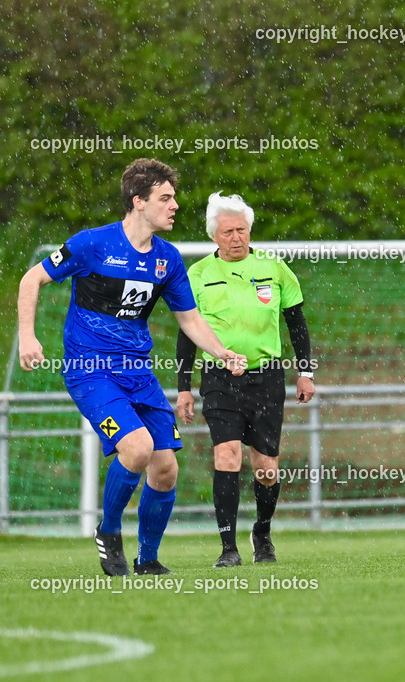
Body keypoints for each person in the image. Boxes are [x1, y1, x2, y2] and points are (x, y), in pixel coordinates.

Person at [17, 158, 247, 576]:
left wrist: (224, 353)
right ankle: (108, 532)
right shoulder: (92, 244)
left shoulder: (168, 259)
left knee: (165, 467)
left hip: (137, 373)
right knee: (137, 448)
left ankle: (148, 558)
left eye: (174, 197)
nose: (175, 205)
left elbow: (191, 320)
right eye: (166, 198)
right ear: (138, 202)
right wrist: (29, 337)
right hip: (90, 369)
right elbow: (31, 279)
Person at [176, 192, 315, 568]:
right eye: (227, 232)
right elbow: (187, 332)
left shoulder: (275, 268)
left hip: (267, 378)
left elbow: (296, 322)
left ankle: (262, 532)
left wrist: (305, 372)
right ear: (214, 236)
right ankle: (228, 548)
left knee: (267, 468)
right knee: (227, 456)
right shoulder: (198, 275)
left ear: (249, 231)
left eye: (241, 230)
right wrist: (183, 387)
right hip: (220, 378)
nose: (236, 237)